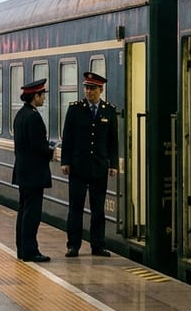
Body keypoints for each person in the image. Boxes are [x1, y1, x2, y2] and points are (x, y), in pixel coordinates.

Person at [61, 71, 119, 258]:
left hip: (99, 167)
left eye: (92, 88)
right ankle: (73, 245)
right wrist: (65, 161)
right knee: (75, 208)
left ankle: (98, 245)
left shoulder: (109, 110)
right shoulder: (75, 109)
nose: (88, 91)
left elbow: (113, 141)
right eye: (86, 87)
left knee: (98, 209)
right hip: (78, 167)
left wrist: (113, 164)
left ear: (101, 89)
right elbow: (68, 137)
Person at [12, 79, 54, 262]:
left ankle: (22, 249)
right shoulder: (34, 117)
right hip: (34, 173)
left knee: (23, 211)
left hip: (23, 172)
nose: (44, 98)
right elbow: (38, 146)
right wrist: (51, 151)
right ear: (35, 96)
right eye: (42, 95)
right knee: (32, 213)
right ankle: (31, 251)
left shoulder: (20, 114)